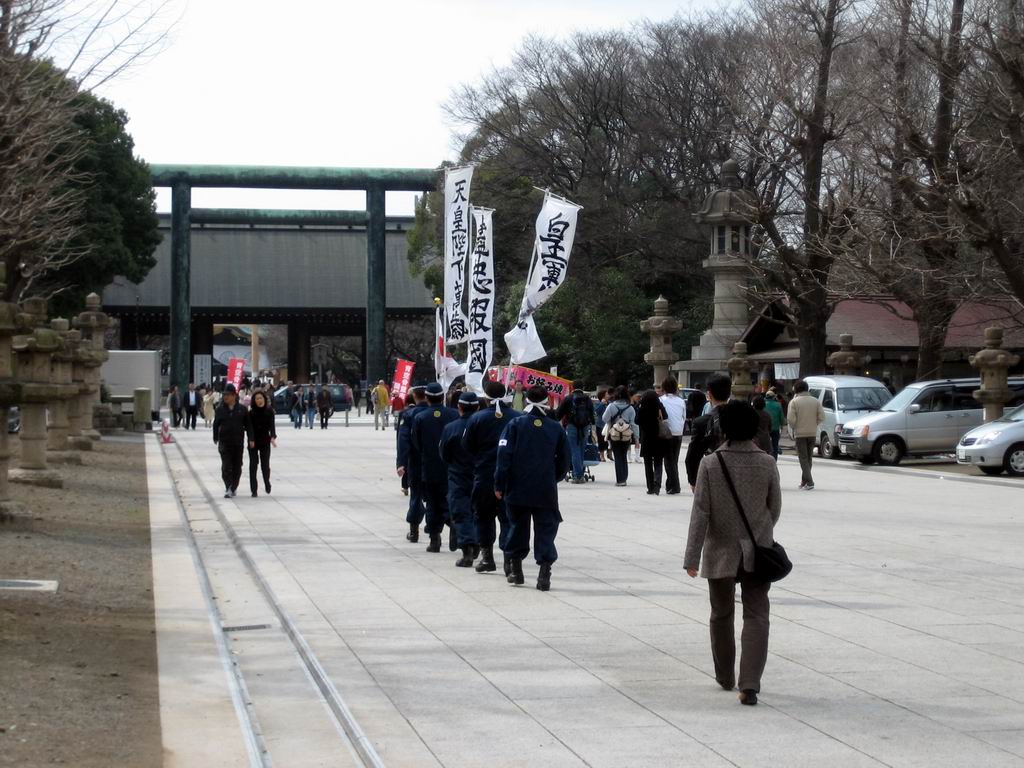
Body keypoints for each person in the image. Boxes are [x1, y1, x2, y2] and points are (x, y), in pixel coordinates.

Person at [684, 400, 782, 706]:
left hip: (720, 550)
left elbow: (700, 513)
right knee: (757, 615)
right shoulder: (767, 462)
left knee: (721, 613)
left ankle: (725, 675)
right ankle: (750, 684)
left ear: (722, 428)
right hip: (757, 550)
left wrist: (692, 557)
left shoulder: (710, 464)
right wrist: (761, 530)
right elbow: (774, 507)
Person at [495, 385, 571, 591]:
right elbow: (565, 461)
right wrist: (552, 478)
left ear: (526, 400)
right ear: (547, 401)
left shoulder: (515, 424)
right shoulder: (555, 427)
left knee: (517, 526)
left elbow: (503, 457)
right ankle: (544, 573)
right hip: (545, 488)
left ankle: (516, 570)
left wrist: (499, 483)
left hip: (517, 487)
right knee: (546, 529)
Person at [463, 380, 521, 576]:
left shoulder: (477, 418)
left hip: (484, 475)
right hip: (510, 477)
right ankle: (509, 560)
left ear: (486, 397)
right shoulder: (517, 417)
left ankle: (487, 557)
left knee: (483, 516)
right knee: (509, 519)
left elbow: (467, 446)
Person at [411, 382, 459, 552]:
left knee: (432, 503)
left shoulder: (420, 418)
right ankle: (453, 524)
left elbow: (416, 443)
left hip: (429, 466)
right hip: (451, 466)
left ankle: (434, 539)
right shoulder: (454, 415)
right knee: (450, 499)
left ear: (427, 398)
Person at [440, 391, 481, 567]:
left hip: (458, 475)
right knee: (480, 513)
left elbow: (444, 454)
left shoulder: (451, 428)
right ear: (478, 407)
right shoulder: (485, 426)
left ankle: (467, 549)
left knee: (460, 513)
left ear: (459, 407)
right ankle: (478, 541)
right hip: (480, 475)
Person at [685, 373, 732, 491]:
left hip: (713, 473)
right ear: (729, 393)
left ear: (709, 395)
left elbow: (693, 455)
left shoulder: (701, 422)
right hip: (740, 473)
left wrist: (693, 480)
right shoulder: (742, 419)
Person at [396, 385, 428, 541]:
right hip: (439, 463)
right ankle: (441, 533)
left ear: (415, 396)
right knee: (439, 498)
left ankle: (414, 531)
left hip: (415, 462)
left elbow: (403, 441)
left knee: (416, 496)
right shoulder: (448, 414)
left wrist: (401, 462)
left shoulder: (409, 415)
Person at [787, 379, 825, 490]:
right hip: (812, 432)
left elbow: (790, 419)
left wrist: (795, 427)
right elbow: (822, 417)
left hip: (800, 433)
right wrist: (814, 423)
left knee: (803, 458)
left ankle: (810, 481)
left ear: (796, 390)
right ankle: (804, 481)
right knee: (808, 458)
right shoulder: (815, 401)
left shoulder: (794, 402)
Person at [212, 384, 248, 498]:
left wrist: (251, 438)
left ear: (234, 396)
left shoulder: (242, 410)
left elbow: (249, 426)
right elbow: (215, 424)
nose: (225, 397)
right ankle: (228, 486)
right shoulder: (220, 409)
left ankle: (234, 486)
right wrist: (215, 437)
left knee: (237, 466)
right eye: (224, 395)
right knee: (226, 466)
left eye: (228, 395)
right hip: (224, 442)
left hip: (238, 443)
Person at [556, 383, 595, 484]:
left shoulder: (568, 398)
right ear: (583, 387)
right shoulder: (587, 399)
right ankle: (580, 473)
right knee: (581, 450)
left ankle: (578, 476)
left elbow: (559, 413)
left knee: (574, 450)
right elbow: (592, 412)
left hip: (572, 426)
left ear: (572, 387)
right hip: (585, 427)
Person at [602, 385, 637, 487]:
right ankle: (624, 478)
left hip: (614, 433)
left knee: (617, 456)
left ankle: (620, 480)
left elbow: (604, 418)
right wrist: (637, 437)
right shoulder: (630, 408)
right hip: (626, 434)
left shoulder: (611, 406)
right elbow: (633, 423)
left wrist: (612, 420)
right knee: (623, 455)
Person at [635, 389, 668, 495]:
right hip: (658, 437)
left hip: (646, 438)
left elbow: (637, 421)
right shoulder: (659, 406)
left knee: (648, 463)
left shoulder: (642, 408)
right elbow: (665, 416)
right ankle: (657, 484)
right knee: (658, 462)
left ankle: (650, 487)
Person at [245, 391, 277, 497]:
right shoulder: (250, 413)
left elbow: (272, 426)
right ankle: (254, 490)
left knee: (265, 465)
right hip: (253, 441)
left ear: (264, 399)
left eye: (261, 398)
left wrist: (272, 437)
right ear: (254, 400)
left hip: (264, 441)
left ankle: (267, 482)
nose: (259, 400)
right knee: (253, 465)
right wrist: (251, 439)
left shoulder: (269, 411)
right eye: (257, 398)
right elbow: (249, 428)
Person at [660, 378, 686, 494]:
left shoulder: (661, 400)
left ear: (663, 388)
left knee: (668, 460)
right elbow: (683, 417)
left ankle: (673, 485)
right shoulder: (681, 401)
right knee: (674, 459)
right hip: (678, 432)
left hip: (667, 433)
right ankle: (672, 484)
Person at [764, 389, 787, 460]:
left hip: (765, 428)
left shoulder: (763, 404)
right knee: (775, 445)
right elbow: (781, 417)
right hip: (775, 428)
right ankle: (774, 459)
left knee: (765, 444)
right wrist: (782, 424)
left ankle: (766, 458)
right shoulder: (778, 405)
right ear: (774, 397)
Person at [594, 389, 609, 461]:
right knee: (601, 440)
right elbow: (596, 411)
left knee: (608, 440)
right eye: (607, 394)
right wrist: (601, 404)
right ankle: (602, 455)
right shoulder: (598, 403)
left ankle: (609, 454)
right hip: (600, 424)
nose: (608, 396)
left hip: (608, 424)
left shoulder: (609, 403)